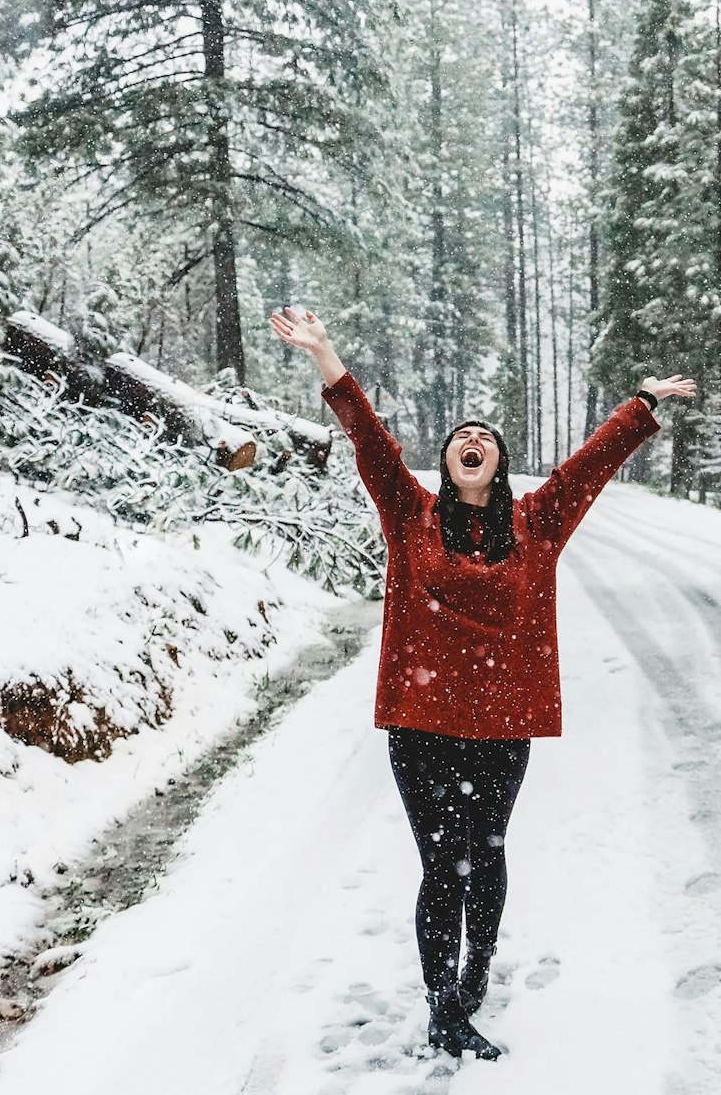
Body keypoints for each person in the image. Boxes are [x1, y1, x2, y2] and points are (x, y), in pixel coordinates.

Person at [270, 306, 696, 1061]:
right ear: (446, 460)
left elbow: (586, 468)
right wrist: (326, 357)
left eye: (487, 438)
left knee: (486, 854)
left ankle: (472, 978)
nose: (474, 440)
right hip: (422, 722)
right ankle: (443, 1006)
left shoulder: (537, 523)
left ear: (499, 462)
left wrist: (642, 405)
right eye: (461, 436)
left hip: (503, 725)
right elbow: (369, 440)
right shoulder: (410, 514)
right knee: (443, 862)